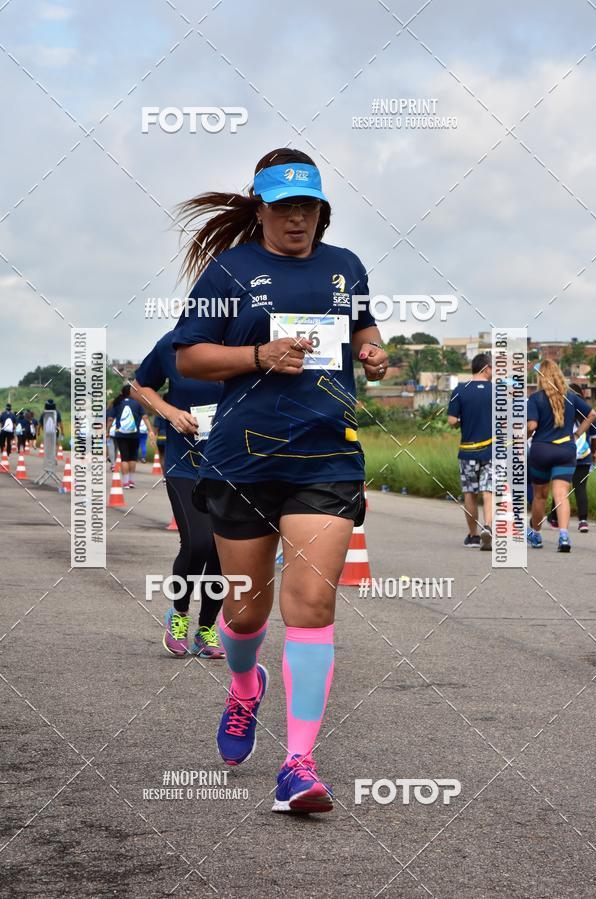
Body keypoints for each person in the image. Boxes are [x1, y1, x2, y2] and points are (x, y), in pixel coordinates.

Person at [173, 147, 388, 813]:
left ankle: (298, 762)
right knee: (244, 613)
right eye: (283, 206)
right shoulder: (228, 271)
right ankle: (244, 687)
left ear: (322, 212)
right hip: (241, 459)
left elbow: (363, 325)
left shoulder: (345, 267)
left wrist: (372, 350)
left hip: (324, 457)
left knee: (312, 606)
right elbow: (191, 358)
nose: (297, 218)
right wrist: (257, 354)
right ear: (260, 208)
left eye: (308, 207)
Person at [131, 331, 225, 659]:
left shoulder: (245, 341)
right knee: (198, 542)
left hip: (233, 464)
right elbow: (139, 387)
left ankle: (207, 628)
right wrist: (169, 412)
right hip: (185, 465)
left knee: (223, 550)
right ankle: (179, 615)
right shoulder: (172, 344)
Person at [527, 360, 596, 552]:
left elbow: (532, 426)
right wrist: (576, 435)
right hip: (566, 450)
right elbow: (592, 414)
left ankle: (536, 535)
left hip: (541, 450)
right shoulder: (571, 398)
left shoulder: (535, 399)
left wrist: (521, 438)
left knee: (540, 496)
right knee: (561, 495)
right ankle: (564, 536)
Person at [447, 354, 493, 550]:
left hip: (467, 451)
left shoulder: (460, 390)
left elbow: (451, 420)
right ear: (486, 368)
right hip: (492, 451)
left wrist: (461, 422)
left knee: (469, 492)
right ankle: (488, 526)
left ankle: (473, 535)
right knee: (489, 490)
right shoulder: (498, 390)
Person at [546, 383, 596, 533]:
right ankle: (583, 521)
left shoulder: (560, 412)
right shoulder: (588, 414)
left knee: (560, 487)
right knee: (580, 488)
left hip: (564, 454)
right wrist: (593, 453)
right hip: (583, 456)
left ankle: (554, 517)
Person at [106, 385, 153, 488]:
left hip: (120, 434)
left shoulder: (117, 402)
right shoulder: (138, 403)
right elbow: (145, 417)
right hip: (135, 434)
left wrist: (107, 430)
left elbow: (110, 419)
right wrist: (150, 430)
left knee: (124, 458)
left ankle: (125, 482)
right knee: (132, 458)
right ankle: (131, 481)